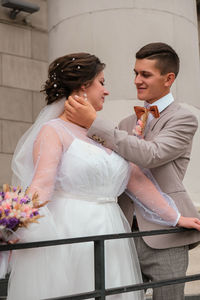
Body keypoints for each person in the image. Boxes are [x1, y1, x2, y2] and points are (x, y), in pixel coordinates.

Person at [6, 52, 200, 300]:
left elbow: (135, 177)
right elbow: (42, 186)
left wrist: (176, 216)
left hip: (113, 232)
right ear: (83, 87)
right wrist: (15, 225)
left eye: (145, 74)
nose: (107, 91)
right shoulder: (53, 130)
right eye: (102, 82)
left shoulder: (101, 131)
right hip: (75, 231)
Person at [64, 43, 200, 300]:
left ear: (168, 78)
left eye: (145, 74)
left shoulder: (184, 118)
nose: (137, 80)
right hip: (123, 232)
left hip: (167, 237)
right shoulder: (126, 123)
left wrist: (94, 123)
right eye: (135, 73)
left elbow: (152, 154)